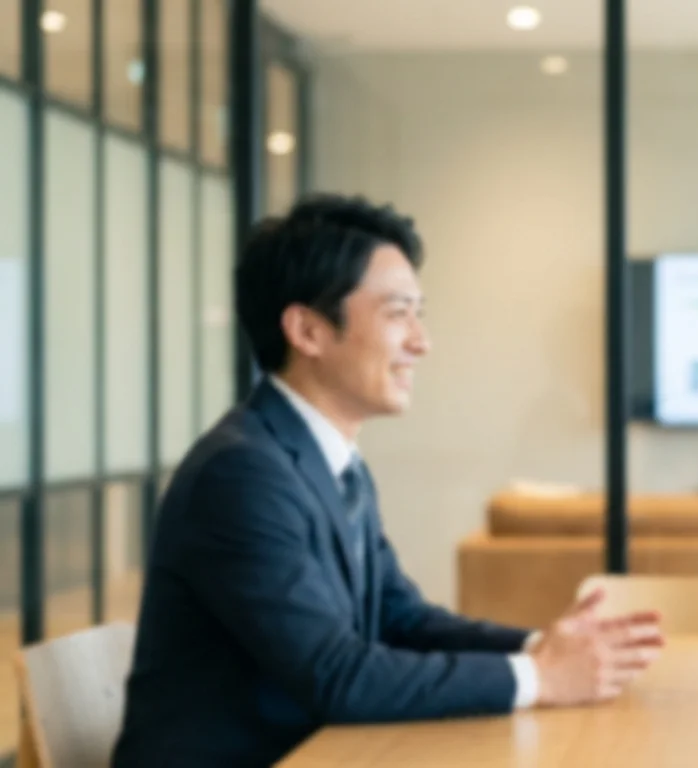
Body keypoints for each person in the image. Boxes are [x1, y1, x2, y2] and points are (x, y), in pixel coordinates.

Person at [113, 195, 664, 767]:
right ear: (307, 330)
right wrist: (540, 677)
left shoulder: (331, 462)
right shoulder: (241, 475)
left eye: (418, 314)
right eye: (398, 314)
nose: (421, 342)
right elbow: (336, 676)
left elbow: (402, 622)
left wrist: (538, 647)